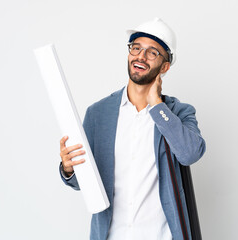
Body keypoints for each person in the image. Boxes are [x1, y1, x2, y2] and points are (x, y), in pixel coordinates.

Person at [59, 18, 206, 240]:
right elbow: (85, 183)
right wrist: (69, 169)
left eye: (152, 52)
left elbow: (190, 153)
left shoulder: (177, 112)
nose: (140, 56)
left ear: (165, 66)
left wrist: (157, 106)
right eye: (136, 48)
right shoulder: (98, 114)